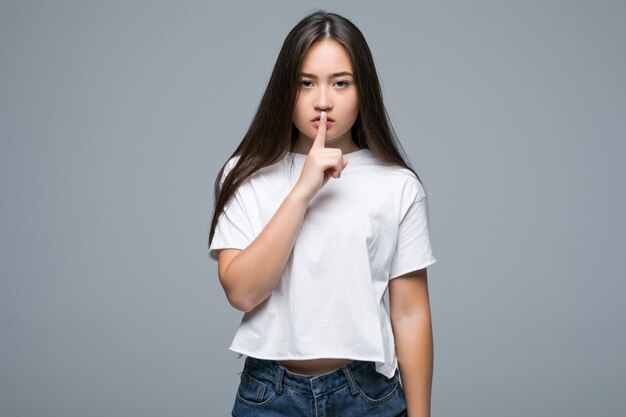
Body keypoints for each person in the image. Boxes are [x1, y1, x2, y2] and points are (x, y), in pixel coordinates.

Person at [208, 9, 437, 417]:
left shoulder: (397, 184)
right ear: (285, 90)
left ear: (363, 90)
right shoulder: (247, 174)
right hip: (270, 395)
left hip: (367, 395)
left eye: (341, 83)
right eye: (306, 83)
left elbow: (410, 311)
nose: (323, 101)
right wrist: (303, 190)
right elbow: (242, 292)